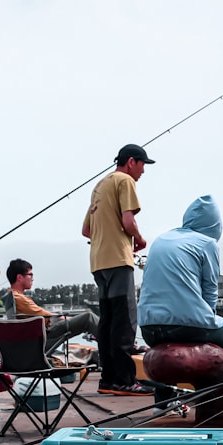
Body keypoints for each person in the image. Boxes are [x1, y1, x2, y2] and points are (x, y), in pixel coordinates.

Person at [137, 195, 223, 419]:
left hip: (149, 328)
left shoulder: (161, 239)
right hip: (184, 326)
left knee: (168, 339)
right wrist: (209, 320)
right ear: (215, 226)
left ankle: (163, 402)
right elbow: (210, 291)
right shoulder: (207, 243)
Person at [81, 143, 153, 396]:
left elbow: (86, 231)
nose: (143, 171)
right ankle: (124, 381)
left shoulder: (99, 186)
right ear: (131, 161)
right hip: (118, 260)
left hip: (98, 263)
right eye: (143, 164)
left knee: (108, 323)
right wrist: (139, 239)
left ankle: (108, 380)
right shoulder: (124, 180)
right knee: (124, 322)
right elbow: (128, 220)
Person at [3, 258, 100, 360]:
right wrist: (63, 318)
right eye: (30, 274)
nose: (32, 278)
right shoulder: (18, 298)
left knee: (66, 359)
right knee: (88, 317)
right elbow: (44, 315)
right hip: (41, 340)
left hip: (30, 342)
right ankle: (115, 345)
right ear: (19, 277)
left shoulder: (11, 297)